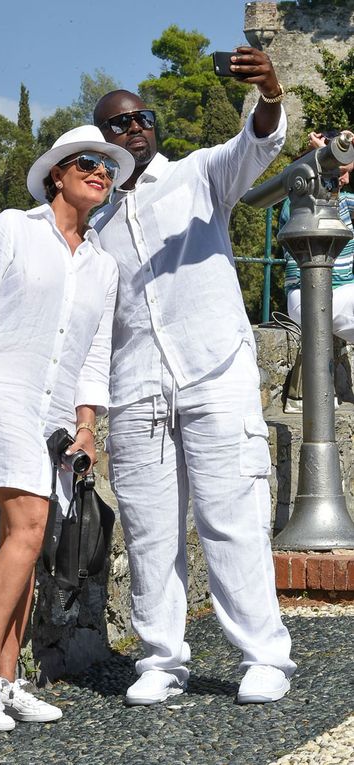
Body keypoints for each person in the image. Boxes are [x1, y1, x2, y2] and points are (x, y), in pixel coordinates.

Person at [91, 46, 297, 707]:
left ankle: (264, 654)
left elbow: (257, 143)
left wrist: (269, 91)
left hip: (215, 370)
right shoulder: (92, 225)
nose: (135, 127)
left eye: (142, 117)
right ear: (102, 142)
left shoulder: (199, 175)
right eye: (119, 124)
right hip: (136, 387)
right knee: (150, 529)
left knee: (230, 516)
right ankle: (160, 660)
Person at [0, 125, 134, 731]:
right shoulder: (12, 227)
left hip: (56, 415)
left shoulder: (102, 265)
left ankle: (8, 679)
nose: (101, 173)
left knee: (31, 537)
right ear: (57, 174)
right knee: (31, 524)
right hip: (0, 397)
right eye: (88, 162)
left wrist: (87, 425)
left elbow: (93, 354)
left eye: (109, 168)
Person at [282, 130, 354, 340]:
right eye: (342, 171)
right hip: (305, 296)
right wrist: (323, 154)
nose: (346, 179)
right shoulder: (299, 201)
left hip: (345, 295)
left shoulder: (344, 202)